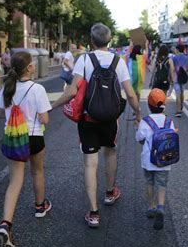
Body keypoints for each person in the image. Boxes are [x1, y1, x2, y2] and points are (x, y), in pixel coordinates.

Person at [52, 23, 141, 228]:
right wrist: (138, 113)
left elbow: (72, 91)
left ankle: (93, 213)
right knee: (110, 152)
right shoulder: (118, 62)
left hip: (87, 118)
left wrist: (52, 106)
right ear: (109, 41)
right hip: (110, 119)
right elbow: (129, 93)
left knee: (90, 164)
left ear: (92, 41)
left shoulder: (84, 59)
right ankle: (110, 193)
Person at [0, 51, 52, 247]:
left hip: (13, 138)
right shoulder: (37, 89)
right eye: (33, 61)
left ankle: (5, 224)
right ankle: (40, 206)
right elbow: (45, 119)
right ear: (28, 67)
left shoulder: (7, 87)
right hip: (34, 137)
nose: (35, 63)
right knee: (37, 172)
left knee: (15, 181)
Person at [135, 88, 176, 230]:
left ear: (149, 105)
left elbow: (139, 139)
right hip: (164, 160)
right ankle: (160, 207)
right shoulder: (169, 121)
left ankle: (151, 207)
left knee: (149, 182)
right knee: (162, 184)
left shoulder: (145, 122)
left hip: (148, 160)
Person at [172, 44, 188, 117]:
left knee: (177, 94)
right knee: (182, 93)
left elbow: (173, 69)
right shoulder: (187, 58)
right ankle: (182, 106)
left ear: (177, 49)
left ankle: (178, 110)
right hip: (183, 77)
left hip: (176, 78)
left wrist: (170, 77)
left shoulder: (174, 58)